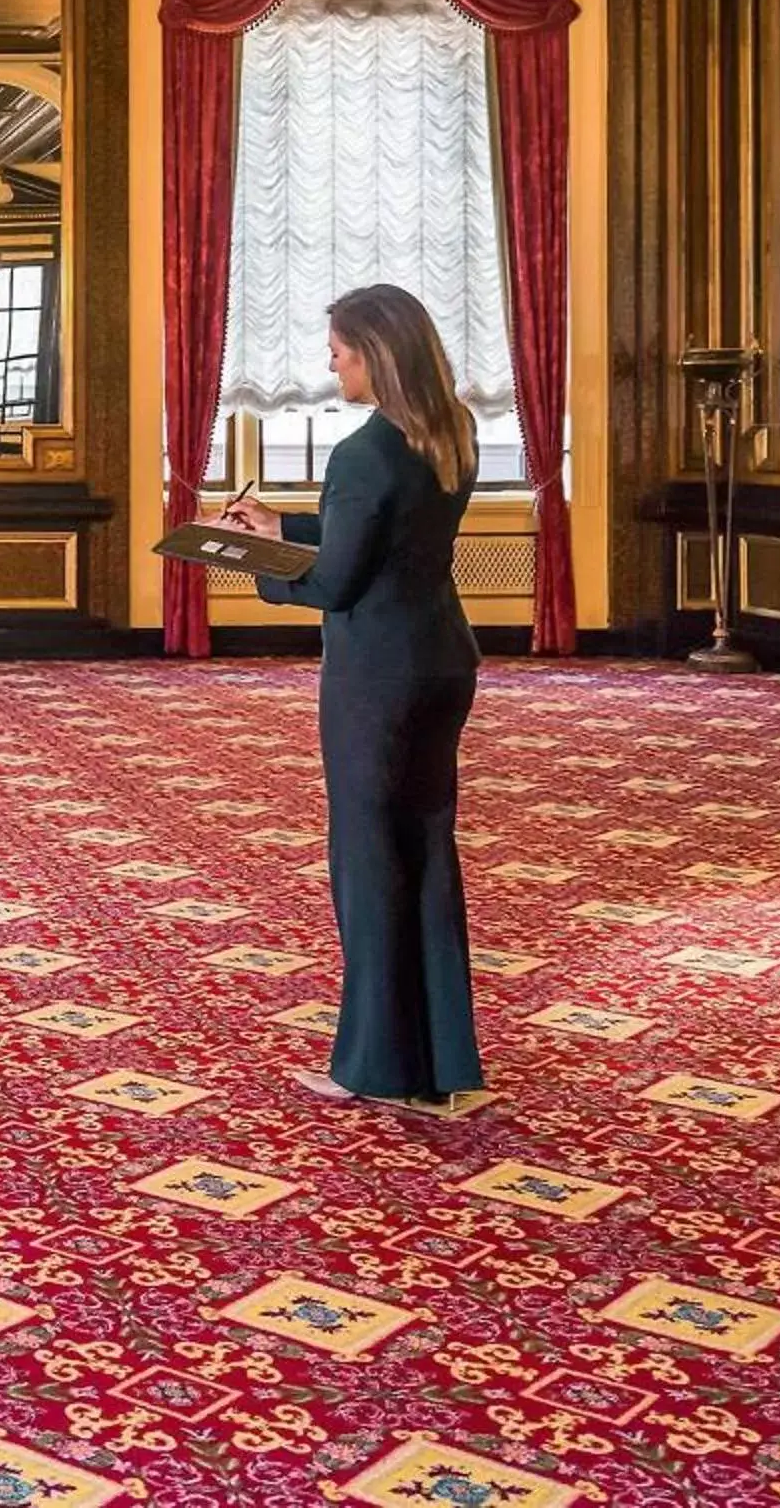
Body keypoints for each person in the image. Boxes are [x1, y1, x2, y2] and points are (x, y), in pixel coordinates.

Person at [218, 282, 484, 1107]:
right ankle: (440, 1062)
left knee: (367, 862)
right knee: (427, 853)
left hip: (377, 676)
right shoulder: (451, 431)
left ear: (373, 353)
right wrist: (280, 526)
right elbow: (381, 531)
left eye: (336, 351)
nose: (328, 365)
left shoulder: (363, 452)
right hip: (443, 661)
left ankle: (375, 1068)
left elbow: (336, 581)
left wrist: (242, 557)